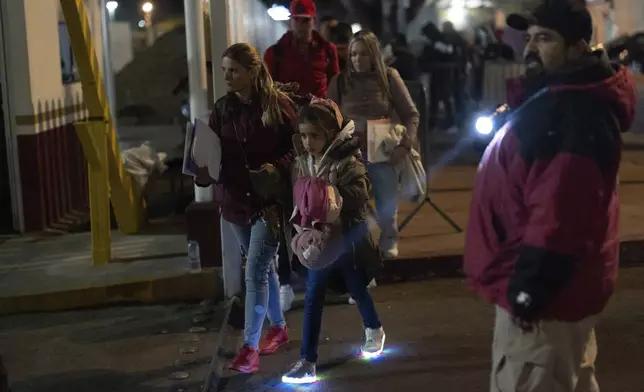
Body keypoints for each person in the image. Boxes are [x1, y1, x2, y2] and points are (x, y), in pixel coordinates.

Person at [463, 1, 636, 391]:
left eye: (545, 39)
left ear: (577, 48)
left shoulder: (573, 113)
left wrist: (530, 291)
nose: (530, 48)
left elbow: (561, 215)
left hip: (546, 304)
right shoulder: (557, 99)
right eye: (529, 38)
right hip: (556, 295)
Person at [194, 43, 298, 373]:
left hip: (268, 202)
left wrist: (276, 170)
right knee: (262, 268)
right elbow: (210, 152)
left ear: (252, 72)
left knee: (253, 271)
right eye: (224, 70)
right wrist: (202, 171)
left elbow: (299, 149)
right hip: (234, 200)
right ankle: (278, 328)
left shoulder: (277, 105)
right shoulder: (222, 108)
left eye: (233, 70)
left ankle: (249, 347)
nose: (226, 76)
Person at [281, 98, 385, 384]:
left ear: (330, 134)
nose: (307, 141)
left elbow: (360, 193)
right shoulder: (302, 162)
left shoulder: (348, 162)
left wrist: (331, 197)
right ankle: (308, 360)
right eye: (303, 135)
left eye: (314, 135)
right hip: (318, 244)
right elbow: (297, 198)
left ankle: (374, 329)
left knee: (356, 286)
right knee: (313, 297)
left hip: (346, 239)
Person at [328, 30, 420, 259]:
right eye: (354, 54)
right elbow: (327, 119)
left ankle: (389, 239)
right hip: (350, 152)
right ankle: (360, 248)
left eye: (364, 54)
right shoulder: (339, 81)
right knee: (351, 206)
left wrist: (405, 145)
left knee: (386, 202)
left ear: (374, 55)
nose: (358, 59)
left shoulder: (389, 77)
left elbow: (411, 114)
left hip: (382, 147)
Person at [264, 0, 340, 98]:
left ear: (314, 21)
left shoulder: (328, 50)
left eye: (305, 20)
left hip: (318, 110)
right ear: (291, 21)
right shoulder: (275, 52)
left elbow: (336, 86)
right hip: (288, 110)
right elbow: (268, 88)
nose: (300, 25)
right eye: (296, 19)